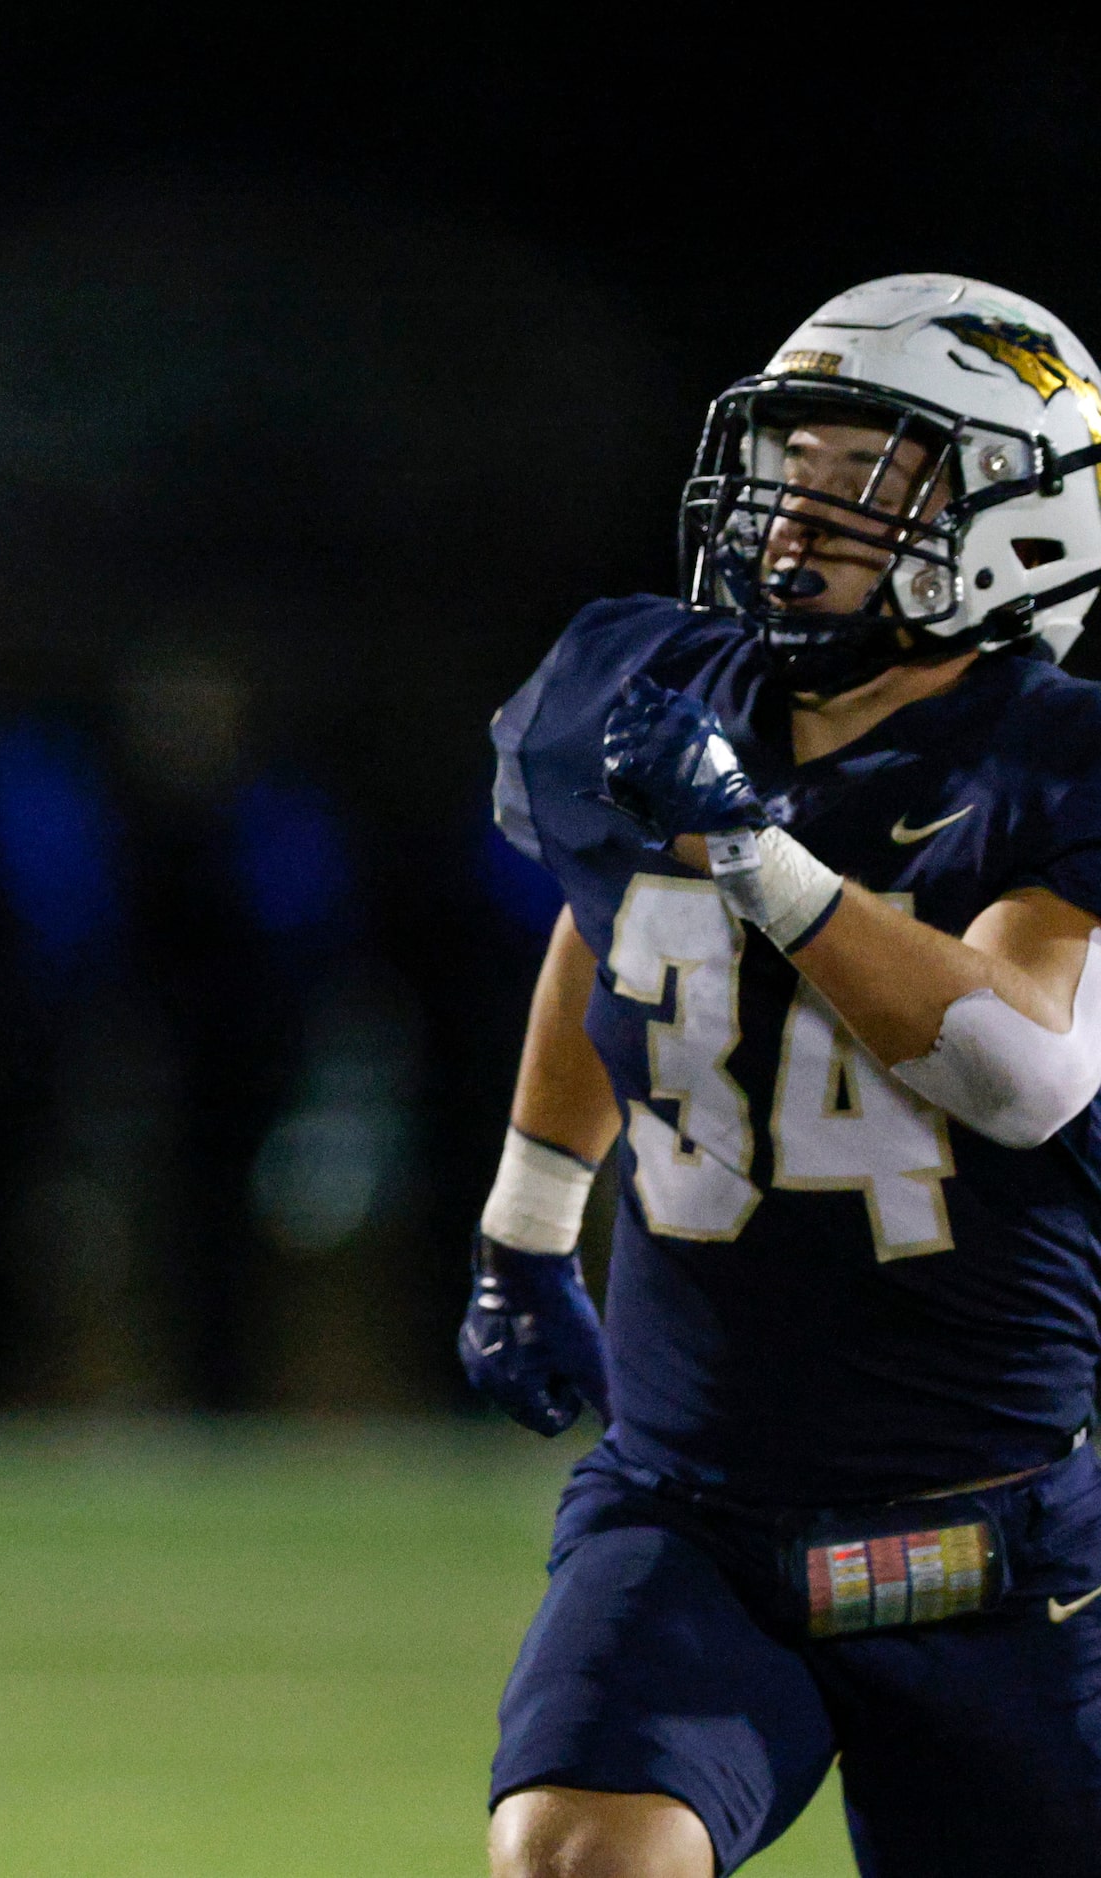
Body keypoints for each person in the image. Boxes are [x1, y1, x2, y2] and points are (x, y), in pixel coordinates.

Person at [466, 273, 1101, 1877]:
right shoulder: (641, 686)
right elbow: (605, 923)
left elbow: (1022, 1066)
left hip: (997, 1541)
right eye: (791, 469)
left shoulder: (1057, 760)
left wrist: (759, 853)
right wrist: (529, 1223)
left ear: (1017, 527)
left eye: (862, 484)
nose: (791, 518)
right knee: (574, 1854)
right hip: (692, 1508)